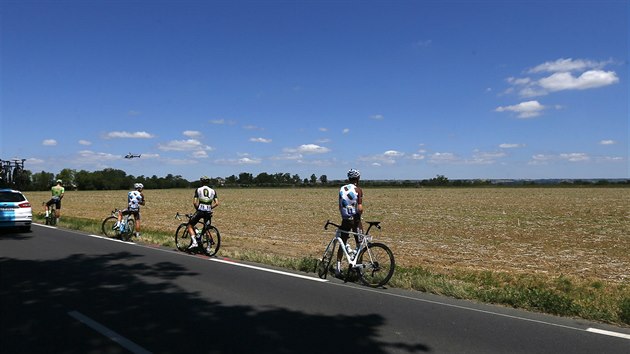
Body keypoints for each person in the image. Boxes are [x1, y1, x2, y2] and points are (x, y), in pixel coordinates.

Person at [335, 168, 364, 276]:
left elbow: (340, 206)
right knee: (360, 243)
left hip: (345, 219)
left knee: (342, 242)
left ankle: (338, 268)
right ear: (358, 178)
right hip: (355, 220)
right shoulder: (358, 190)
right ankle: (359, 269)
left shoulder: (342, 189)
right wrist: (359, 215)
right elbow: (360, 208)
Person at [187, 176, 219, 249]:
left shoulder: (198, 190)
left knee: (189, 225)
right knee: (206, 228)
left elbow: (194, 202)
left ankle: (194, 242)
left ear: (201, 182)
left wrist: (197, 209)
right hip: (208, 212)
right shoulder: (213, 191)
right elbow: (217, 203)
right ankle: (208, 246)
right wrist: (210, 207)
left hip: (200, 211)